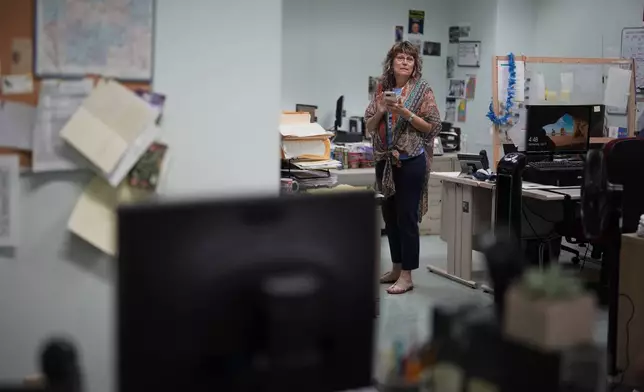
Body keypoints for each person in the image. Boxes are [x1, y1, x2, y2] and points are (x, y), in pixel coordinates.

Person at [365, 41, 442, 295]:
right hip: (384, 160)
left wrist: (404, 111)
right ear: (392, 62)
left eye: (410, 59)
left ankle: (408, 275)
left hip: (410, 161)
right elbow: (369, 125)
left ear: (415, 64)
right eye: (401, 58)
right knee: (390, 217)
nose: (405, 62)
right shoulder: (382, 90)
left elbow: (431, 126)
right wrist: (383, 110)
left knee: (407, 217)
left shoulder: (422, 90)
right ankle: (397, 268)